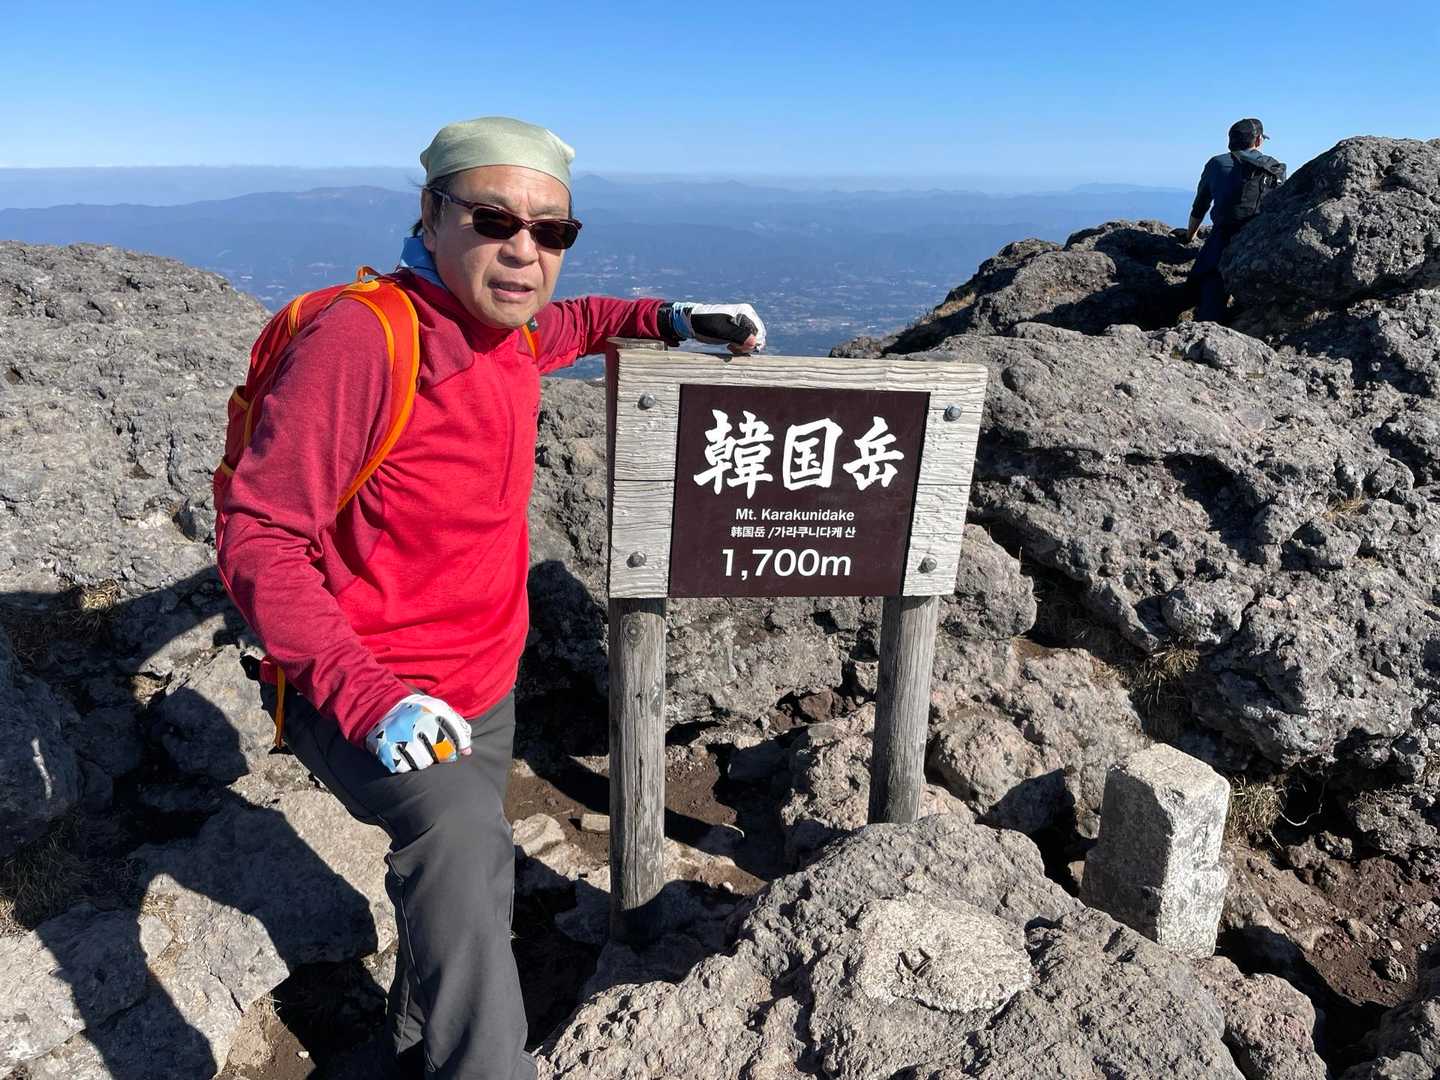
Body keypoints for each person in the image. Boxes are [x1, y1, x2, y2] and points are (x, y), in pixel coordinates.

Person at [215, 116, 766, 1080]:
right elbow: (257, 533)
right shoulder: (366, 342)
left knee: (462, 896)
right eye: (494, 219)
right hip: (371, 694)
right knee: (466, 854)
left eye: (552, 231)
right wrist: (367, 697)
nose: (524, 250)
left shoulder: (505, 332)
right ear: (431, 217)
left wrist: (670, 318)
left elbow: (574, 323)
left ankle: (409, 1054)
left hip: (484, 684)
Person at [1183, 117, 1287, 322]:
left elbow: (1200, 206)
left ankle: (1206, 328)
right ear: (1258, 141)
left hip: (1222, 238)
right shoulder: (1273, 167)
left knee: (1208, 286)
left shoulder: (1216, 164)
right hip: (1261, 241)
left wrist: (1190, 236)